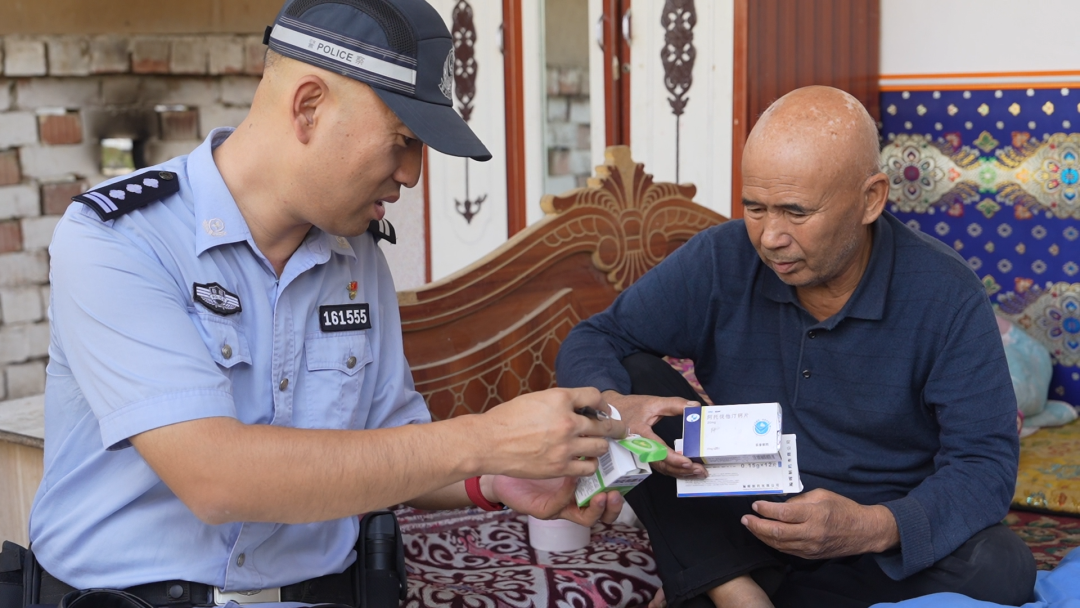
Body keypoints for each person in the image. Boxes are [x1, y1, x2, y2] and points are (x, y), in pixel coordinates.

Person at [26, 0, 626, 604]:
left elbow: (392, 440)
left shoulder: (354, 253)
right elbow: (216, 478)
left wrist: (496, 478)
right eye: (404, 141)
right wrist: (484, 440)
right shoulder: (120, 238)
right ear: (309, 107)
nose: (412, 175)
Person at [555, 86, 1035, 608]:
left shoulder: (946, 292)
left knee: (1002, 568)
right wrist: (615, 407)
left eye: (795, 212)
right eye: (755, 208)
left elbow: (985, 464)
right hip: (738, 517)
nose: (770, 237)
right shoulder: (720, 259)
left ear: (870, 199)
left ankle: (715, 577)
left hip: (874, 535)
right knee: (632, 373)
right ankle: (731, 583)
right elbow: (595, 337)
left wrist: (872, 526)